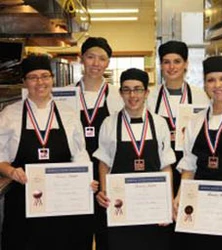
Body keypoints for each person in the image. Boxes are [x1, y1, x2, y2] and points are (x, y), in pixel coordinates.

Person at [0, 54, 97, 250]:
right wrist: (11, 172)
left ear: (52, 79)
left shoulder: (68, 113)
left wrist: (88, 179)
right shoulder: (9, 114)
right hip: (23, 199)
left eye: (45, 76)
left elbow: (80, 154)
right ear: (25, 82)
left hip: (63, 200)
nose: (40, 82)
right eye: (33, 77)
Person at [93, 68, 176, 250]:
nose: (132, 95)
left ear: (146, 92)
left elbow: (166, 167)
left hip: (152, 206)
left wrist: (167, 204)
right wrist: (105, 192)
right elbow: (104, 162)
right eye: (126, 89)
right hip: (121, 206)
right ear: (120, 93)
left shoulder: (160, 123)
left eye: (138, 89)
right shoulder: (109, 123)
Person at [175, 56, 222, 249]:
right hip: (202, 208)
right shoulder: (195, 121)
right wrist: (180, 196)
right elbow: (189, 166)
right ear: (205, 84)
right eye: (211, 80)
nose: (217, 85)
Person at [75, 37, 123, 250]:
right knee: (77, 233)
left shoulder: (119, 95)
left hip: (110, 173)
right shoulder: (63, 95)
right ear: (81, 59)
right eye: (90, 57)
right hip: (75, 175)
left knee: (108, 235)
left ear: (108, 63)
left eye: (102, 58)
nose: (96, 63)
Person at [147, 40, 210, 197]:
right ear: (161, 65)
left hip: (191, 164)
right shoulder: (150, 96)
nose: (171, 67)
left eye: (177, 61)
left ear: (186, 64)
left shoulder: (200, 95)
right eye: (166, 62)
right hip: (158, 162)